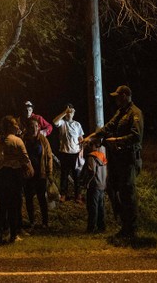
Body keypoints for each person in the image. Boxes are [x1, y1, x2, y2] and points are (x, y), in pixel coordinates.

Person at [83, 84, 144, 239]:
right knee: (114, 190)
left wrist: (117, 140)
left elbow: (136, 136)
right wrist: (92, 136)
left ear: (124, 95)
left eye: (117, 96)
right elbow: (108, 127)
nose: (116, 99)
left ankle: (131, 229)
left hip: (129, 159)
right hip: (118, 159)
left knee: (128, 193)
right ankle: (124, 225)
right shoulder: (121, 113)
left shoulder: (134, 113)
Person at [0, 115, 33, 243]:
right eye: (15, 124)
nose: (18, 126)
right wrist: (29, 169)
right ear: (9, 126)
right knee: (14, 206)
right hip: (14, 175)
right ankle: (13, 235)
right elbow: (25, 158)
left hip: (1, 175)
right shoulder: (17, 141)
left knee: (2, 206)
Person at [21, 119, 54, 230]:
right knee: (29, 199)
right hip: (28, 175)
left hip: (41, 174)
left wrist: (49, 173)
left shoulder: (43, 140)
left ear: (39, 127)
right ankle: (32, 222)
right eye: (31, 126)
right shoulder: (23, 140)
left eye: (36, 126)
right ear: (27, 128)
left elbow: (49, 157)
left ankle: (45, 222)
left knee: (42, 199)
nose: (34, 128)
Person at [52, 103, 85, 202]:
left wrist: (82, 150)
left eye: (71, 111)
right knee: (64, 175)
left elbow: (81, 139)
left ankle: (78, 195)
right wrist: (64, 112)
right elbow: (54, 122)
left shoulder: (77, 124)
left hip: (75, 153)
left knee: (77, 175)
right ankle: (63, 194)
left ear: (74, 112)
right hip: (64, 153)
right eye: (68, 111)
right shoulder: (62, 122)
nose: (69, 113)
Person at [78, 138, 107, 233]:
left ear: (92, 146)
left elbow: (91, 171)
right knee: (101, 206)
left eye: (87, 145)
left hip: (94, 185)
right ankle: (101, 226)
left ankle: (91, 228)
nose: (85, 147)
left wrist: (87, 183)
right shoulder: (102, 156)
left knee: (92, 207)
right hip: (102, 185)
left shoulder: (91, 157)